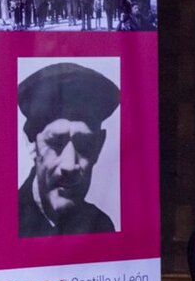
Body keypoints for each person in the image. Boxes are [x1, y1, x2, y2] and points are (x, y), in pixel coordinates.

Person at [17, 62, 120, 237]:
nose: (69, 165)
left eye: (85, 145)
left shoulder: (101, 226)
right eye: (56, 143)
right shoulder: (3, 224)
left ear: (99, 146)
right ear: (31, 143)